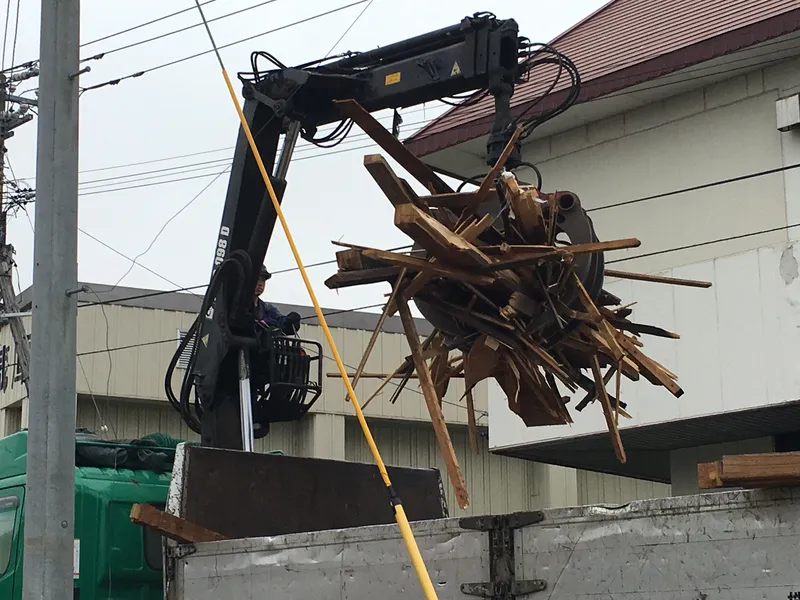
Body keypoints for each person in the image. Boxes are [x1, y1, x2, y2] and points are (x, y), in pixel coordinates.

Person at [253, 265, 301, 335]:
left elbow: (280, 322)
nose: (260, 284)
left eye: (263, 280)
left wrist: (290, 322)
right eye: (257, 279)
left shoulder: (267, 308)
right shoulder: (236, 306)